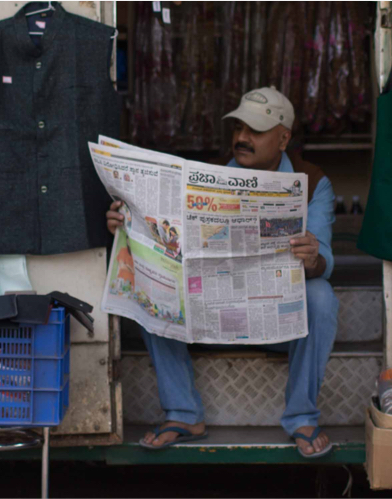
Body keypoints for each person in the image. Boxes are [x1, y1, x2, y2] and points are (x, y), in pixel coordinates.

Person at [106, 86, 338, 458]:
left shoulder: (313, 183)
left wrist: (313, 258)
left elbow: (326, 260)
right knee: (151, 281)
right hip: (209, 318)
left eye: (255, 130)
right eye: (238, 128)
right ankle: (183, 413)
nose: (242, 138)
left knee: (322, 297)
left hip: (278, 320)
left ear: (284, 138)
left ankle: (302, 417)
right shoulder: (205, 176)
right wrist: (127, 223)